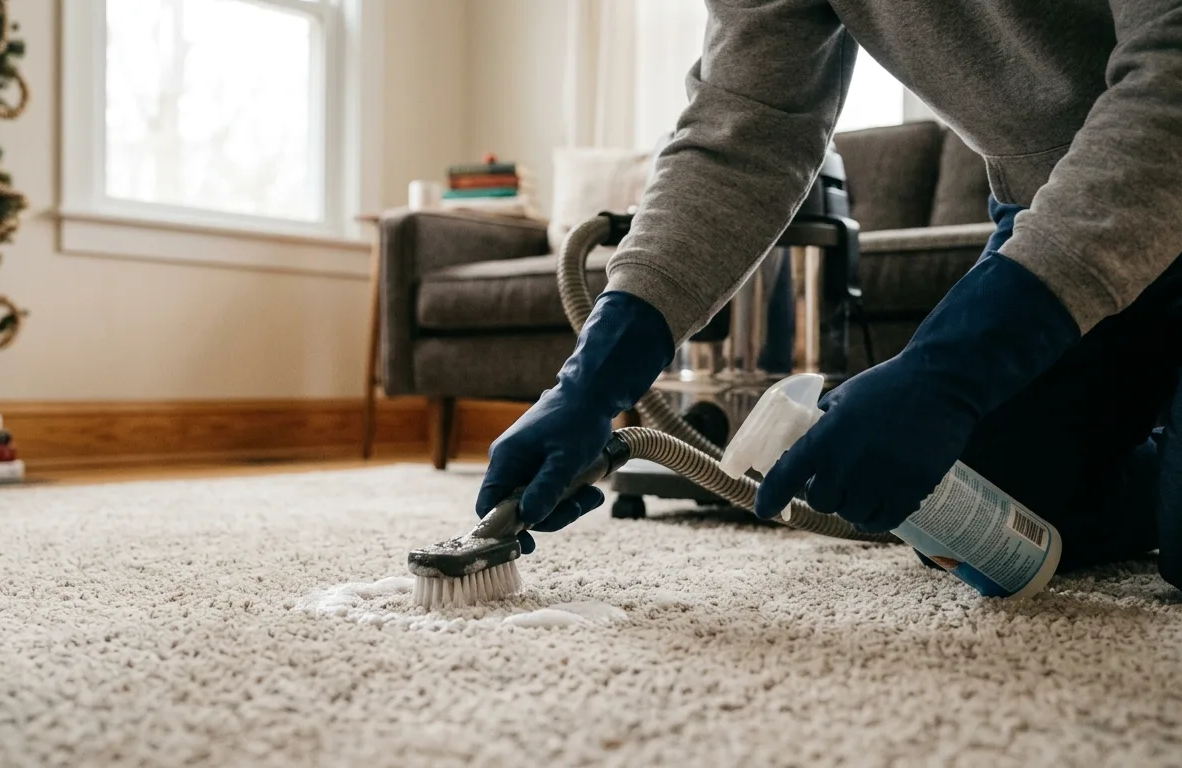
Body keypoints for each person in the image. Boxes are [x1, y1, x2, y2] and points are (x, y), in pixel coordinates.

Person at [475, 0, 1182, 589]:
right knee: (984, 511)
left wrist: (950, 369)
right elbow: (742, 132)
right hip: (1050, 204)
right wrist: (591, 383)